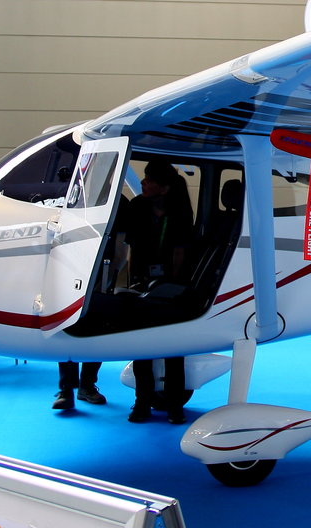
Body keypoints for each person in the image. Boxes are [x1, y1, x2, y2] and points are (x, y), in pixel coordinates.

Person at [123, 159, 193, 424]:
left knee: (174, 349)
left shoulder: (180, 210)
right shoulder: (137, 207)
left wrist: (173, 285)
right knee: (142, 348)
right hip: (142, 283)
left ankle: (175, 406)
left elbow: (180, 251)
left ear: (164, 188)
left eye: (149, 179)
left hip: (171, 286)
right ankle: (142, 402)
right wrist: (135, 283)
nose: (143, 182)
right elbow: (132, 248)